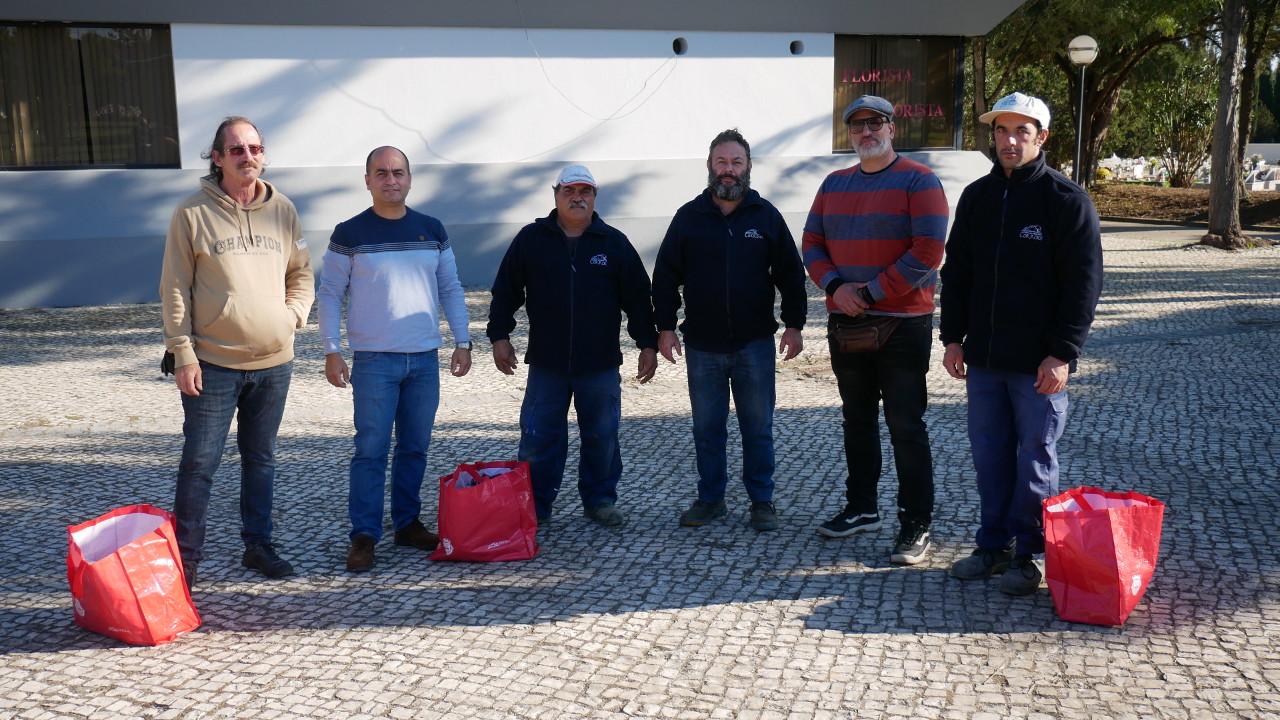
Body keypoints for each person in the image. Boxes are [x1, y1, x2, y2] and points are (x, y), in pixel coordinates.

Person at [940, 92, 1103, 595]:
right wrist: (952, 337)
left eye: (1021, 132)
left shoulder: (1066, 200)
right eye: (1001, 131)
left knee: (1034, 457)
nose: (1009, 141)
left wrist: (1063, 352)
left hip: (1038, 364)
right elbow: (959, 273)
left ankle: (1030, 554)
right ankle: (992, 544)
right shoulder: (977, 197)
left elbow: (1084, 283)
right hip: (985, 360)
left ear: (1042, 137)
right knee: (989, 456)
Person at [160, 117, 314, 587]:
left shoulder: (283, 209)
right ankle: (185, 562)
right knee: (200, 463)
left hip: (274, 361)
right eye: (236, 149)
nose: (248, 156)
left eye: (255, 148)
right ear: (217, 157)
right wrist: (182, 352)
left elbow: (302, 272)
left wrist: (292, 317)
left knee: (261, 457)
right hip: (213, 363)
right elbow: (174, 288)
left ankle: (258, 545)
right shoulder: (191, 214)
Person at [800, 95, 948, 565]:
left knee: (905, 425)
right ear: (849, 134)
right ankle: (862, 507)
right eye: (858, 125)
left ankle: (915, 522)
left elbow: (928, 249)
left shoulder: (920, 180)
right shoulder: (833, 183)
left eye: (876, 123)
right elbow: (812, 243)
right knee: (856, 421)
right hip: (848, 323)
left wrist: (867, 294)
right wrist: (837, 287)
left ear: (891, 128)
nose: (867, 132)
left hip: (903, 323)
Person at [318, 146, 472, 572]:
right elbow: (329, 294)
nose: (391, 180)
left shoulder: (432, 229)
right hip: (374, 362)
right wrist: (332, 349)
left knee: (415, 448)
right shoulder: (349, 234)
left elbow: (451, 288)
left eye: (398, 172)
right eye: (381, 173)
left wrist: (463, 340)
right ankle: (364, 536)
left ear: (409, 178)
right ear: (367, 180)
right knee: (370, 451)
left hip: (424, 360)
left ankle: (407, 524)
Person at [652, 128, 808, 532]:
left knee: (758, 428)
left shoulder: (766, 216)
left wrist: (794, 325)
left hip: (754, 343)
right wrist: (665, 328)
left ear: (749, 167)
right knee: (707, 429)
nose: (728, 170)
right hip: (702, 345)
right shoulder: (689, 217)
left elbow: (791, 275)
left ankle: (762, 501)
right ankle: (711, 499)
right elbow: (665, 276)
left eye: (736, 162)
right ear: (709, 166)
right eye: (721, 162)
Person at [486, 165, 658, 526]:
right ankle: (536, 505)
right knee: (538, 438)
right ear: (556, 195)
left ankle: (599, 500)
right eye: (569, 191)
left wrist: (647, 344)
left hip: (599, 363)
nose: (577, 198)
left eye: (586, 191)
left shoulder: (614, 243)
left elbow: (639, 299)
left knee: (602, 435)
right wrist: (499, 336)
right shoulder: (531, 239)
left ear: (595, 197)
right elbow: (506, 290)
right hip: (547, 362)